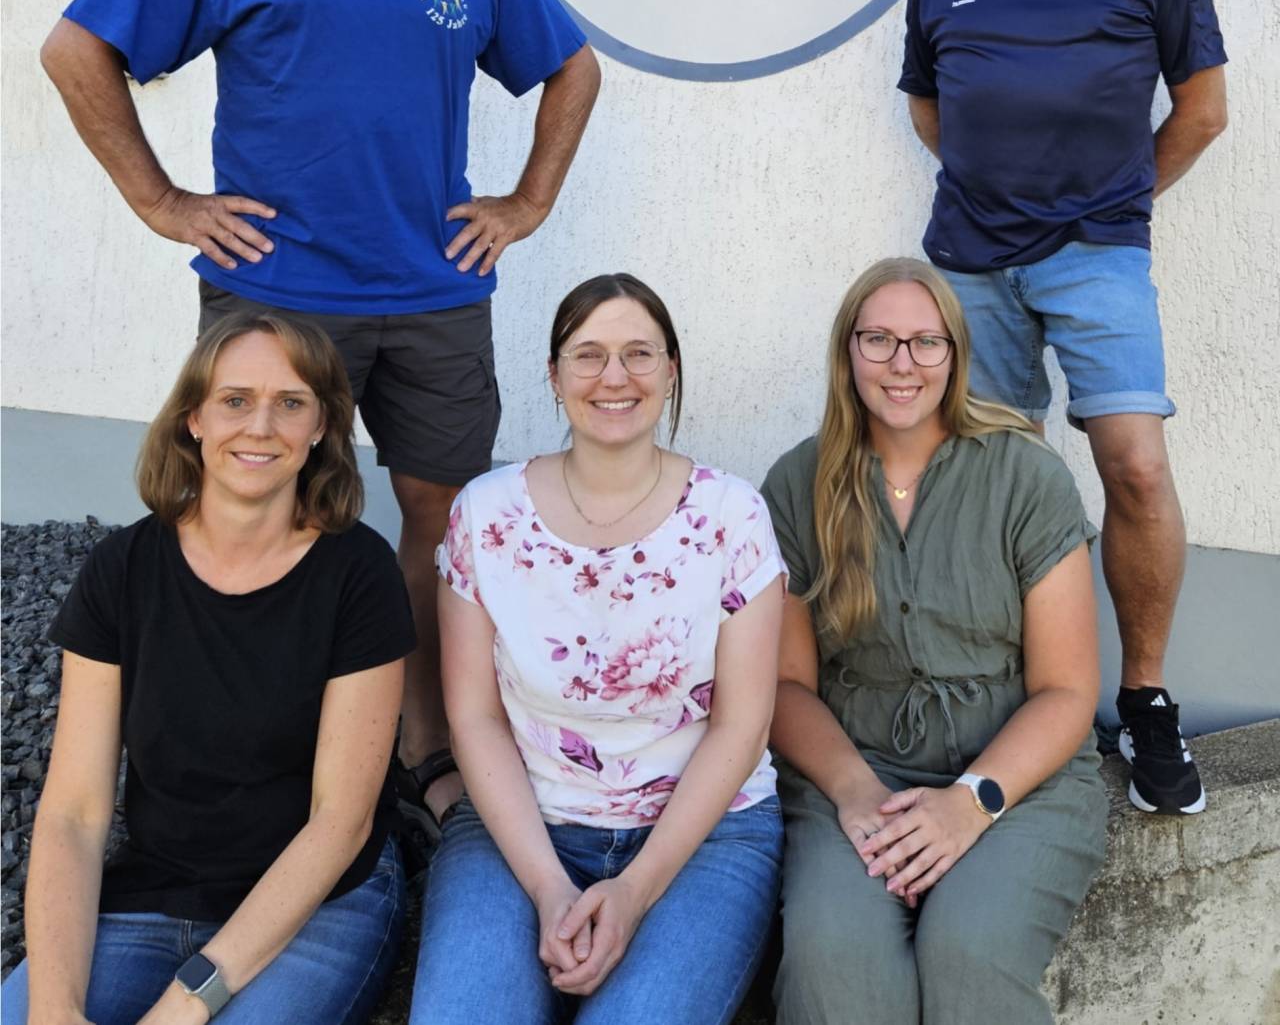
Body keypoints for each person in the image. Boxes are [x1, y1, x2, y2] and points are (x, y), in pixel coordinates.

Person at [39, 0, 601, 834]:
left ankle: (422, 735)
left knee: (439, 519)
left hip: (435, 292)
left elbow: (572, 67)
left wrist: (526, 202)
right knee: (266, 511)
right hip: (277, 299)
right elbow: (76, 47)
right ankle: (274, 742)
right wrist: (159, 201)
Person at [898, 0, 1227, 815]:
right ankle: (1032, 696)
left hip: (1096, 255)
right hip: (970, 264)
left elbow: (1201, 108)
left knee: (1131, 466)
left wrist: (1113, 196)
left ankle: (1141, 696)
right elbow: (928, 113)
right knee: (998, 483)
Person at [1, 312, 416, 1025]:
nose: (261, 425)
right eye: (235, 399)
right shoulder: (121, 569)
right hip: (157, 891)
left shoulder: (360, 574)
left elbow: (339, 822)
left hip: (318, 902)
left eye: (291, 402)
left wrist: (187, 1003)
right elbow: (73, 812)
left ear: (321, 427)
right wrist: (52, 1005)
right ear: (192, 417)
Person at [411, 273, 786, 1023]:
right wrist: (551, 887)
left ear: (671, 369)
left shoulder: (731, 515)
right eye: (588, 355)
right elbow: (475, 718)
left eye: (639, 353)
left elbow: (741, 727)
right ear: (553, 376)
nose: (614, 376)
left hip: (704, 832)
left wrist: (635, 888)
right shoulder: (485, 514)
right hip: (520, 821)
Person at [761, 258, 1107, 1025]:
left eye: (926, 341)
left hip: (1020, 779)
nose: (902, 363)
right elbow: (784, 688)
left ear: (955, 353)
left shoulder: (1026, 476)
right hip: (856, 771)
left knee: (969, 953)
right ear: (847, 351)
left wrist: (969, 803)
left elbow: (1068, 691)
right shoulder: (796, 483)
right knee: (830, 960)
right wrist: (856, 794)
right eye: (879, 338)